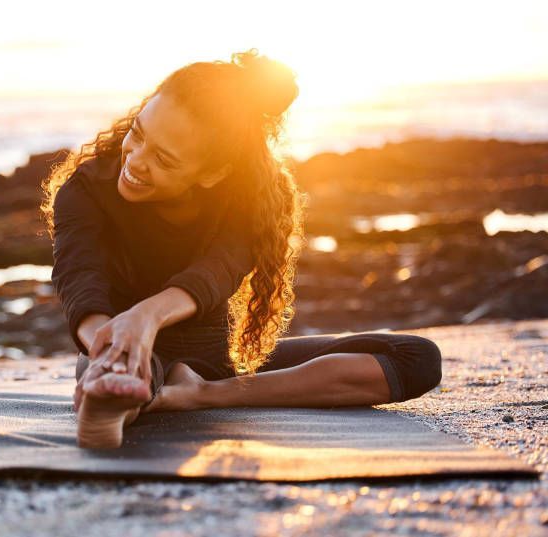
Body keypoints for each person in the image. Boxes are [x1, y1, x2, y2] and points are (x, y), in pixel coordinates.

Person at [39, 49, 442, 449]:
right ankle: (117, 391)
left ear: (213, 172)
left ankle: (196, 395)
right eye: (138, 133)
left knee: (417, 358)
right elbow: (79, 278)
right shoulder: (86, 190)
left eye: (163, 158)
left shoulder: (251, 200)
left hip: (217, 365)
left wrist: (146, 316)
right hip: (121, 349)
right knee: (120, 375)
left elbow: (216, 272)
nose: (136, 160)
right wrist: (110, 346)